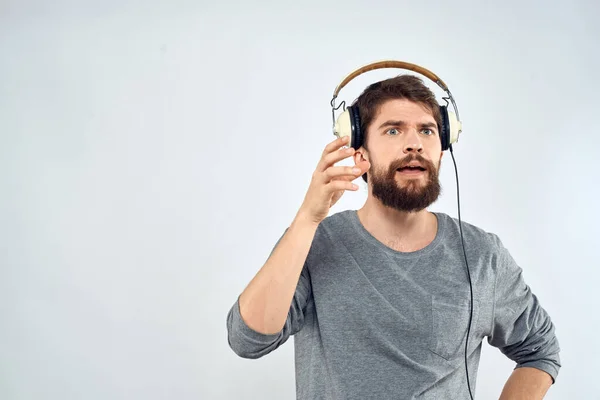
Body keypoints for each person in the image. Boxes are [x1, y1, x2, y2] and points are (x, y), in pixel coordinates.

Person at [225, 74, 561, 399]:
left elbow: (539, 350)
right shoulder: (313, 242)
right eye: (393, 130)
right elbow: (248, 340)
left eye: (426, 131)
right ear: (361, 155)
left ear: (441, 152)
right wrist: (307, 218)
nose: (414, 142)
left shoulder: (482, 253)